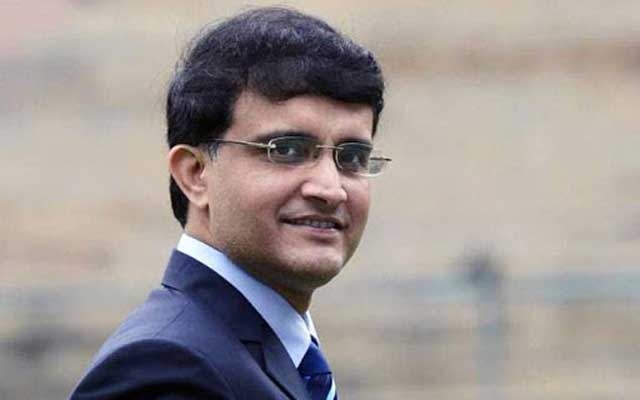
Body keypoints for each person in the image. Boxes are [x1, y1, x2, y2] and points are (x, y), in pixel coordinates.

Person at [69, 6, 390, 400]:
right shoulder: (165, 369)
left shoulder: (270, 355)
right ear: (195, 174)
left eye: (352, 156)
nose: (330, 189)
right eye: (286, 150)